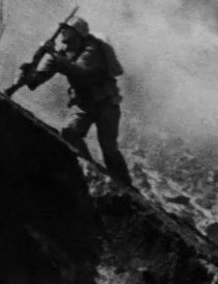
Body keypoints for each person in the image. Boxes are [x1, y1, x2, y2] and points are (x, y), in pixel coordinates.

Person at [6, 14, 132, 185]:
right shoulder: (62, 54)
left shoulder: (92, 49)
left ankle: (125, 184)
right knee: (70, 132)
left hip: (106, 105)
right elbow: (36, 81)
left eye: (67, 29)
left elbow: (80, 71)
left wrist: (52, 55)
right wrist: (26, 74)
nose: (62, 32)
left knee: (108, 148)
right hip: (83, 104)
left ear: (78, 33)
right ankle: (93, 173)